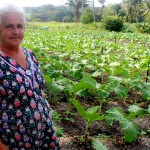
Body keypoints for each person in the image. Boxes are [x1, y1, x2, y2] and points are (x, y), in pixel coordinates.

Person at [0, 4, 60, 150]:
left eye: (20, 26)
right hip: (13, 141)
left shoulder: (29, 54)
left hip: (44, 133)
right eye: (9, 26)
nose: (16, 31)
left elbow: (38, 91)